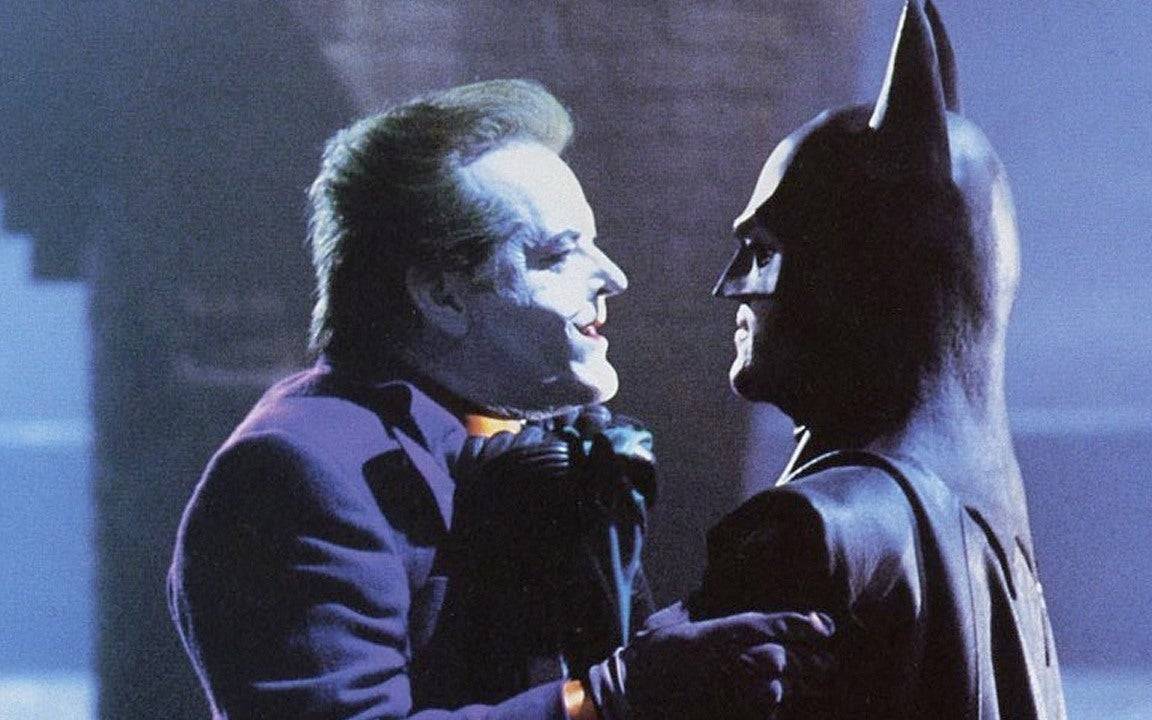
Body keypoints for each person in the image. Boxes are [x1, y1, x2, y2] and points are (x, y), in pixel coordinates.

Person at [167, 79, 833, 720]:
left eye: (593, 244)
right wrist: (612, 698)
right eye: (557, 255)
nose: (612, 277)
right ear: (441, 295)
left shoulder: (535, 432)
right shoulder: (296, 474)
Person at [690, 2, 1068, 717]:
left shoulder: (811, 530)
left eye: (765, 252)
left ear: (860, 273)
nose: (730, 288)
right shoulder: (984, 517)